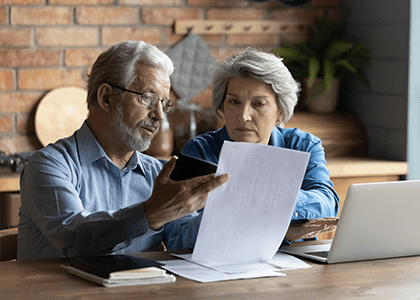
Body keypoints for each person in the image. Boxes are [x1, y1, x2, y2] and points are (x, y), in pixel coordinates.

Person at [17, 41, 229, 260]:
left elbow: (180, 242)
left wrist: (222, 212)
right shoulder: (48, 165)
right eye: (148, 98)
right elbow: (75, 239)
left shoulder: (159, 173)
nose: (160, 115)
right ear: (106, 97)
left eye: (164, 104)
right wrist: (149, 214)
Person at [181, 48, 339, 243]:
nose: (243, 115)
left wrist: (265, 200)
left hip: (295, 263)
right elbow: (180, 236)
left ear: (280, 112)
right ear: (222, 106)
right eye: (233, 102)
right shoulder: (200, 151)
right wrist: (281, 230)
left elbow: (327, 202)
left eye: (258, 104)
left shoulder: (303, 145)